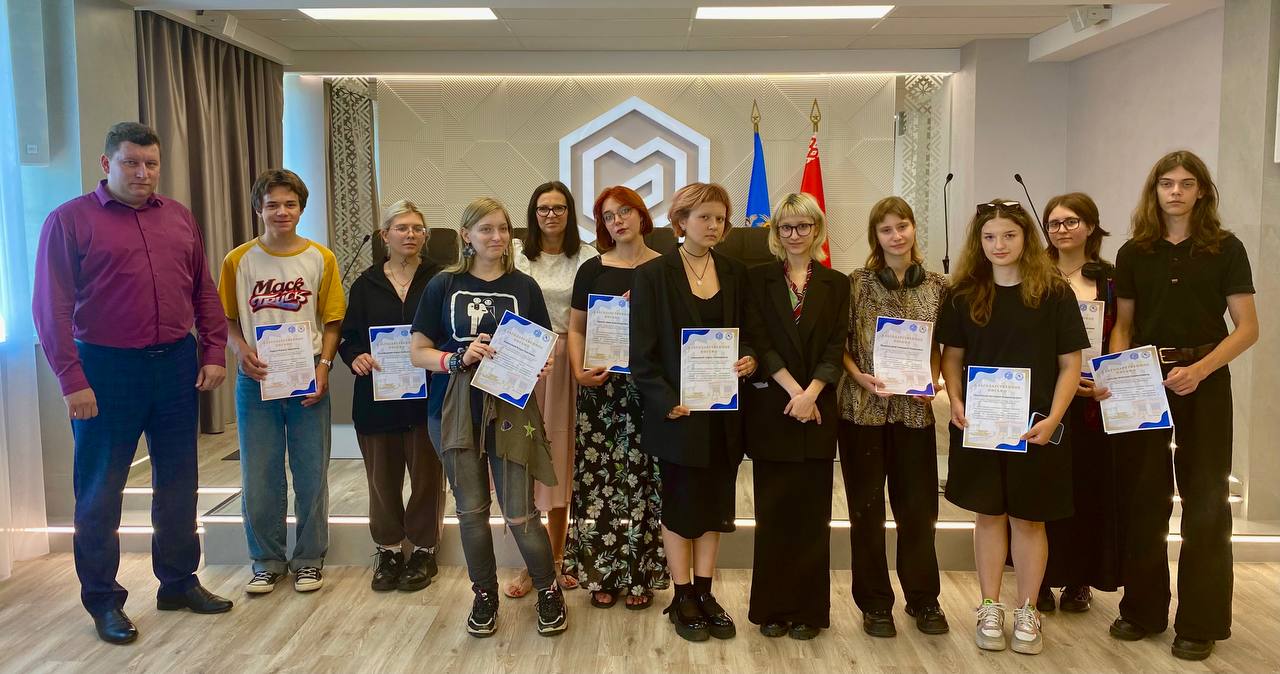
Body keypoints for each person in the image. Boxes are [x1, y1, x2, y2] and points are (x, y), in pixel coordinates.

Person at [32, 122, 232, 645]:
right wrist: (71, 380)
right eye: (131, 162)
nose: (142, 173)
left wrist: (213, 349)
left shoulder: (179, 217)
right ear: (107, 164)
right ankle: (103, 600)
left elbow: (203, 289)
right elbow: (50, 308)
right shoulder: (69, 221)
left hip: (175, 366)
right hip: (105, 369)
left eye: (151, 164)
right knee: (101, 489)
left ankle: (179, 581)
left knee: (180, 482)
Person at [1101, 151, 1257, 662]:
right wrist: (1120, 375)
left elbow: (1247, 328)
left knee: (1207, 501)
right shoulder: (1134, 252)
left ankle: (1200, 622)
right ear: (1155, 191)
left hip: (1205, 381)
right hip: (1145, 380)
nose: (1175, 192)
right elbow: (1124, 326)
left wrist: (1200, 370)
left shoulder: (1225, 248)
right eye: (1167, 183)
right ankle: (1142, 610)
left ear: (1201, 191)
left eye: (1187, 184)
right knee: (1144, 497)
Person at [408, 197, 568, 638]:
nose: (496, 237)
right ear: (466, 235)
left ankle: (548, 589)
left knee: (520, 512)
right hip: (453, 411)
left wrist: (543, 363)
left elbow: (545, 345)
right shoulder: (443, 285)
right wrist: (456, 358)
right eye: (485, 229)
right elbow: (417, 351)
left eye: (502, 229)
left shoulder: (525, 287)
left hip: (511, 411)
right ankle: (484, 595)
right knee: (472, 512)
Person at [937, 199, 1088, 656]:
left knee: (1029, 518)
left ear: (1026, 238)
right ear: (978, 242)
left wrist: (1054, 418)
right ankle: (989, 606)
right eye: (989, 237)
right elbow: (952, 357)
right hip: (980, 425)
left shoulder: (1054, 293)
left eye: (1008, 235)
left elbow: (1070, 364)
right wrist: (955, 400)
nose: (998, 245)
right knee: (988, 515)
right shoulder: (963, 293)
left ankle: (1027, 609)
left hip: (1035, 428)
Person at [631, 182, 758, 642]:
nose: (714, 226)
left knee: (715, 506)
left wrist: (750, 359)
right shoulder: (652, 275)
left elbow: (750, 334)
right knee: (681, 505)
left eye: (720, 218)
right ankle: (681, 593)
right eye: (704, 217)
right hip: (678, 413)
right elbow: (641, 354)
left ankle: (705, 591)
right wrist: (665, 401)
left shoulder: (737, 272)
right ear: (681, 221)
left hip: (723, 412)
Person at [219, 169, 345, 595]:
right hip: (256, 378)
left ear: (301, 209)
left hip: (307, 373)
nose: (281, 211)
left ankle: (309, 559)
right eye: (272, 204)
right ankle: (266, 561)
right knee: (259, 474)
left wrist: (324, 366)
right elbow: (226, 319)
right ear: (259, 208)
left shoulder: (321, 258)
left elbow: (332, 321)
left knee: (311, 471)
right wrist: (240, 350)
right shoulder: (238, 260)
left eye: (290, 204)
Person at [836, 196, 949, 638]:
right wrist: (859, 377)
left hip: (914, 415)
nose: (896, 236)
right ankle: (875, 604)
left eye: (902, 226)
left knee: (918, 511)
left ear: (913, 229)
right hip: (862, 411)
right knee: (866, 512)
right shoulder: (857, 284)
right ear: (876, 237)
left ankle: (923, 599)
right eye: (886, 229)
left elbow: (941, 348)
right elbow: (840, 345)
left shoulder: (938, 286)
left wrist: (932, 381)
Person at [744, 193, 849, 640]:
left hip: (818, 409)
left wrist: (813, 394)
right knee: (773, 515)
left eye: (803, 225)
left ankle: (809, 611)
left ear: (817, 229)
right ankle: (772, 608)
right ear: (776, 232)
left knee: (812, 517)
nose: (794, 234)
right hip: (776, 406)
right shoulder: (758, 279)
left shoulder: (837, 283)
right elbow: (760, 340)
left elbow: (836, 345)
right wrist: (794, 392)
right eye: (786, 226)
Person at [565, 186, 667, 610]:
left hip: (652, 389)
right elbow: (576, 329)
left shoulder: (667, 267)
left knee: (647, 481)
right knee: (599, 481)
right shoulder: (592, 269)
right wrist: (577, 371)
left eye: (625, 211)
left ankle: (642, 575)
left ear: (642, 216)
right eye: (608, 216)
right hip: (601, 389)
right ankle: (601, 574)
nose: (618, 221)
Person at [338, 200, 445, 592]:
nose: (410, 234)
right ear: (385, 235)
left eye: (417, 228)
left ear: (426, 235)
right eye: (401, 228)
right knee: (381, 480)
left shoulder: (441, 279)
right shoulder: (365, 284)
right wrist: (355, 356)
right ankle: (388, 549)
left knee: (427, 478)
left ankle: (424, 550)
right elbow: (348, 337)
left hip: (428, 396)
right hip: (377, 397)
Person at [505, 181, 599, 598]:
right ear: (533, 213)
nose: (551, 215)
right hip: (521, 356)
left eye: (559, 208)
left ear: (570, 213)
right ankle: (531, 564)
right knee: (520, 461)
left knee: (559, 460)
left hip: (567, 358)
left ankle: (557, 559)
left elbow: (598, 311)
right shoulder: (515, 254)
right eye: (543, 208)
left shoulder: (588, 257)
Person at [1036, 192, 1120, 613]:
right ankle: (1040, 578)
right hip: (1044, 394)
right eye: (1054, 223)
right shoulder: (1034, 274)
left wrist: (1103, 376)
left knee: (1086, 487)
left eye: (1071, 221)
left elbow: (1122, 330)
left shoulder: (1109, 279)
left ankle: (1079, 579)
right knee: (1043, 487)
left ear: (1090, 226)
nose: (1062, 230)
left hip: (1092, 399)